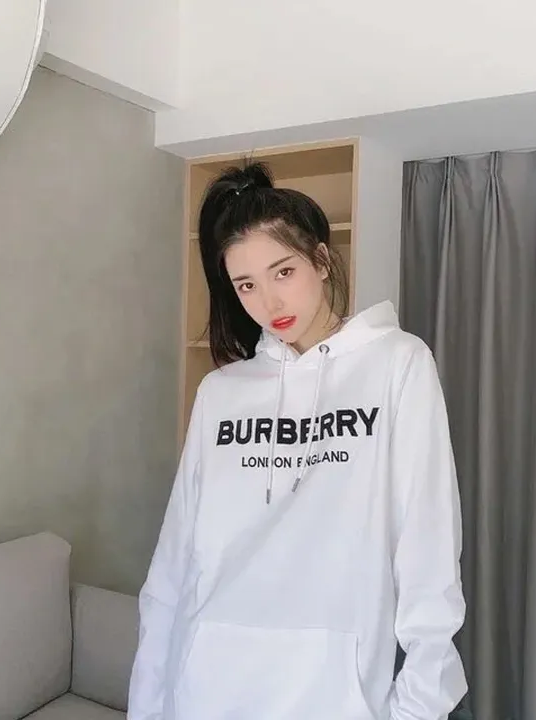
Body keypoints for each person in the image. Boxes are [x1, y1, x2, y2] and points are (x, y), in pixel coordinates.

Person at [127, 161, 467, 720]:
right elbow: (174, 565)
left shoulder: (398, 364)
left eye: (282, 272)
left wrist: (417, 707)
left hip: (335, 698)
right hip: (205, 692)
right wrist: (148, 705)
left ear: (322, 260)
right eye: (246, 285)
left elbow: (427, 545)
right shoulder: (221, 393)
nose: (268, 302)